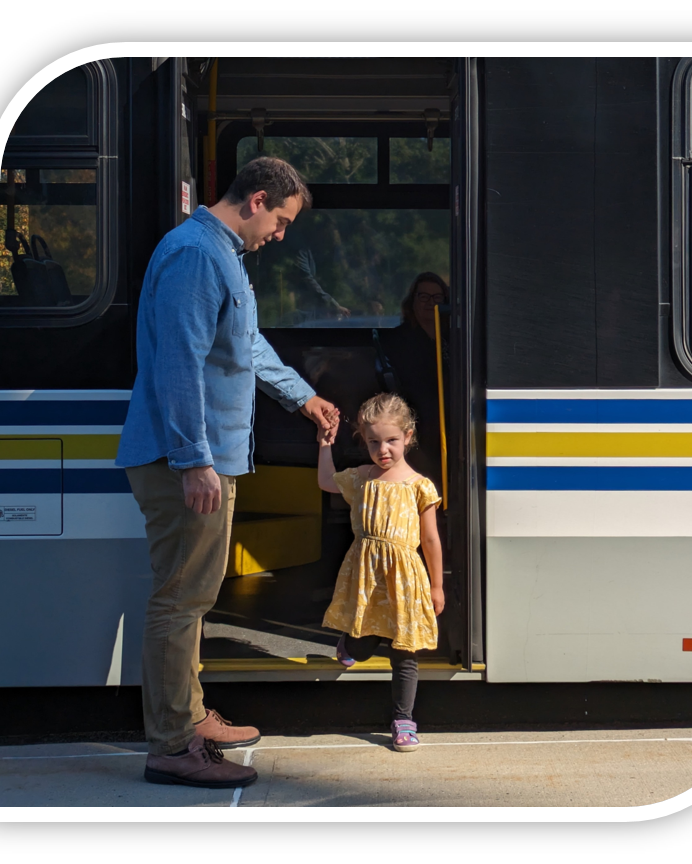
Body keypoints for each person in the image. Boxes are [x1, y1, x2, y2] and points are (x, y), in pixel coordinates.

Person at [115, 157, 338, 789]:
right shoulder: (196, 255)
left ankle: (186, 719)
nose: (281, 235)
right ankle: (171, 745)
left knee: (189, 597)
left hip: (200, 457)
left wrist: (302, 397)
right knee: (180, 600)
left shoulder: (220, 256)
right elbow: (181, 364)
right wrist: (194, 460)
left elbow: (246, 343)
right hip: (186, 460)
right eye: (282, 221)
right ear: (259, 198)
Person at [316, 393, 444, 752]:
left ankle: (404, 719)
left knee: (404, 650)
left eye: (391, 440)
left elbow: (431, 540)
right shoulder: (361, 478)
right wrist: (325, 446)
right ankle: (350, 643)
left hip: (405, 579)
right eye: (373, 441)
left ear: (408, 435)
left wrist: (437, 586)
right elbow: (327, 481)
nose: (382, 449)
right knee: (364, 639)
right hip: (368, 577)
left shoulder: (420, 486)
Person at [380, 272, 450, 494]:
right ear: (413, 301)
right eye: (424, 297)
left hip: (451, 411)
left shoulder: (455, 335)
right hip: (417, 415)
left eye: (437, 298)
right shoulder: (398, 339)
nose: (431, 303)